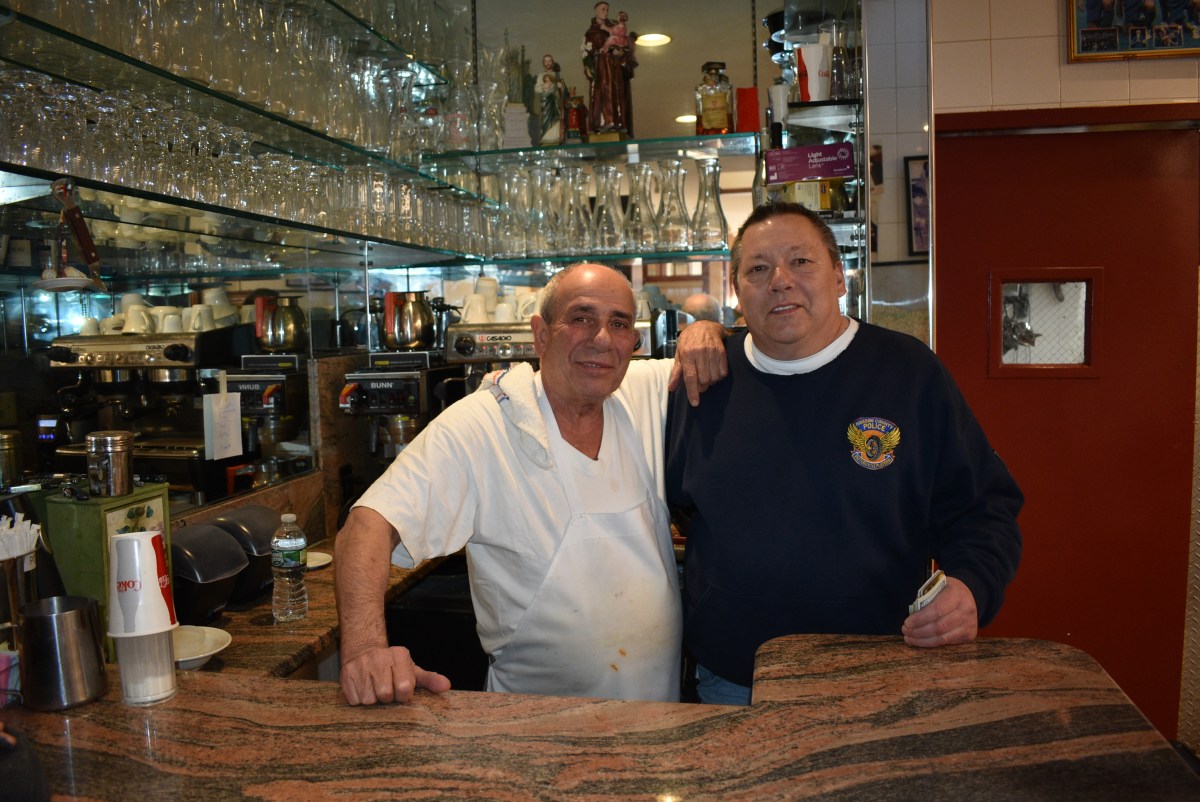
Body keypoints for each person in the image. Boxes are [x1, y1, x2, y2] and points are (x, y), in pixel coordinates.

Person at [665, 202, 1024, 705]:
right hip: (734, 676)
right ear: (737, 292)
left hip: (880, 669)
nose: (781, 281)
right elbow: (675, 503)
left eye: (801, 261)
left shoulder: (908, 373)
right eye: (759, 268)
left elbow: (984, 508)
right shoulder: (704, 382)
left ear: (839, 276)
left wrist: (972, 587)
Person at [335, 263, 726, 706]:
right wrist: (366, 649)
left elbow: (743, 348)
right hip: (532, 729)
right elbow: (367, 525)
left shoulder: (641, 392)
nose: (601, 338)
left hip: (653, 718)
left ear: (632, 343)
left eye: (619, 323)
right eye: (581, 318)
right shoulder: (487, 423)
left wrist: (707, 330)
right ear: (541, 334)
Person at [582, 2, 636, 135]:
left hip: (615, 67)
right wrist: (589, 66)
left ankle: (618, 122)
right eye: (602, 9)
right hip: (601, 67)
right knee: (604, 92)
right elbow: (587, 52)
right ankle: (603, 122)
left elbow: (625, 45)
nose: (605, 12)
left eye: (607, 9)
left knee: (616, 92)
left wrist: (621, 53)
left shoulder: (614, 27)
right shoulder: (591, 32)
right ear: (596, 11)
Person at [538, 54, 567, 146]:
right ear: (543, 63)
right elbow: (537, 89)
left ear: (552, 62)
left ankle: (555, 137)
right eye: (546, 61)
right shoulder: (541, 76)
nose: (548, 63)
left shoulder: (556, 75)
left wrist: (561, 87)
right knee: (546, 119)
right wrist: (544, 86)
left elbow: (563, 90)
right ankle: (546, 137)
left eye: (549, 61)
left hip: (555, 102)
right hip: (546, 101)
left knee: (556, 118)